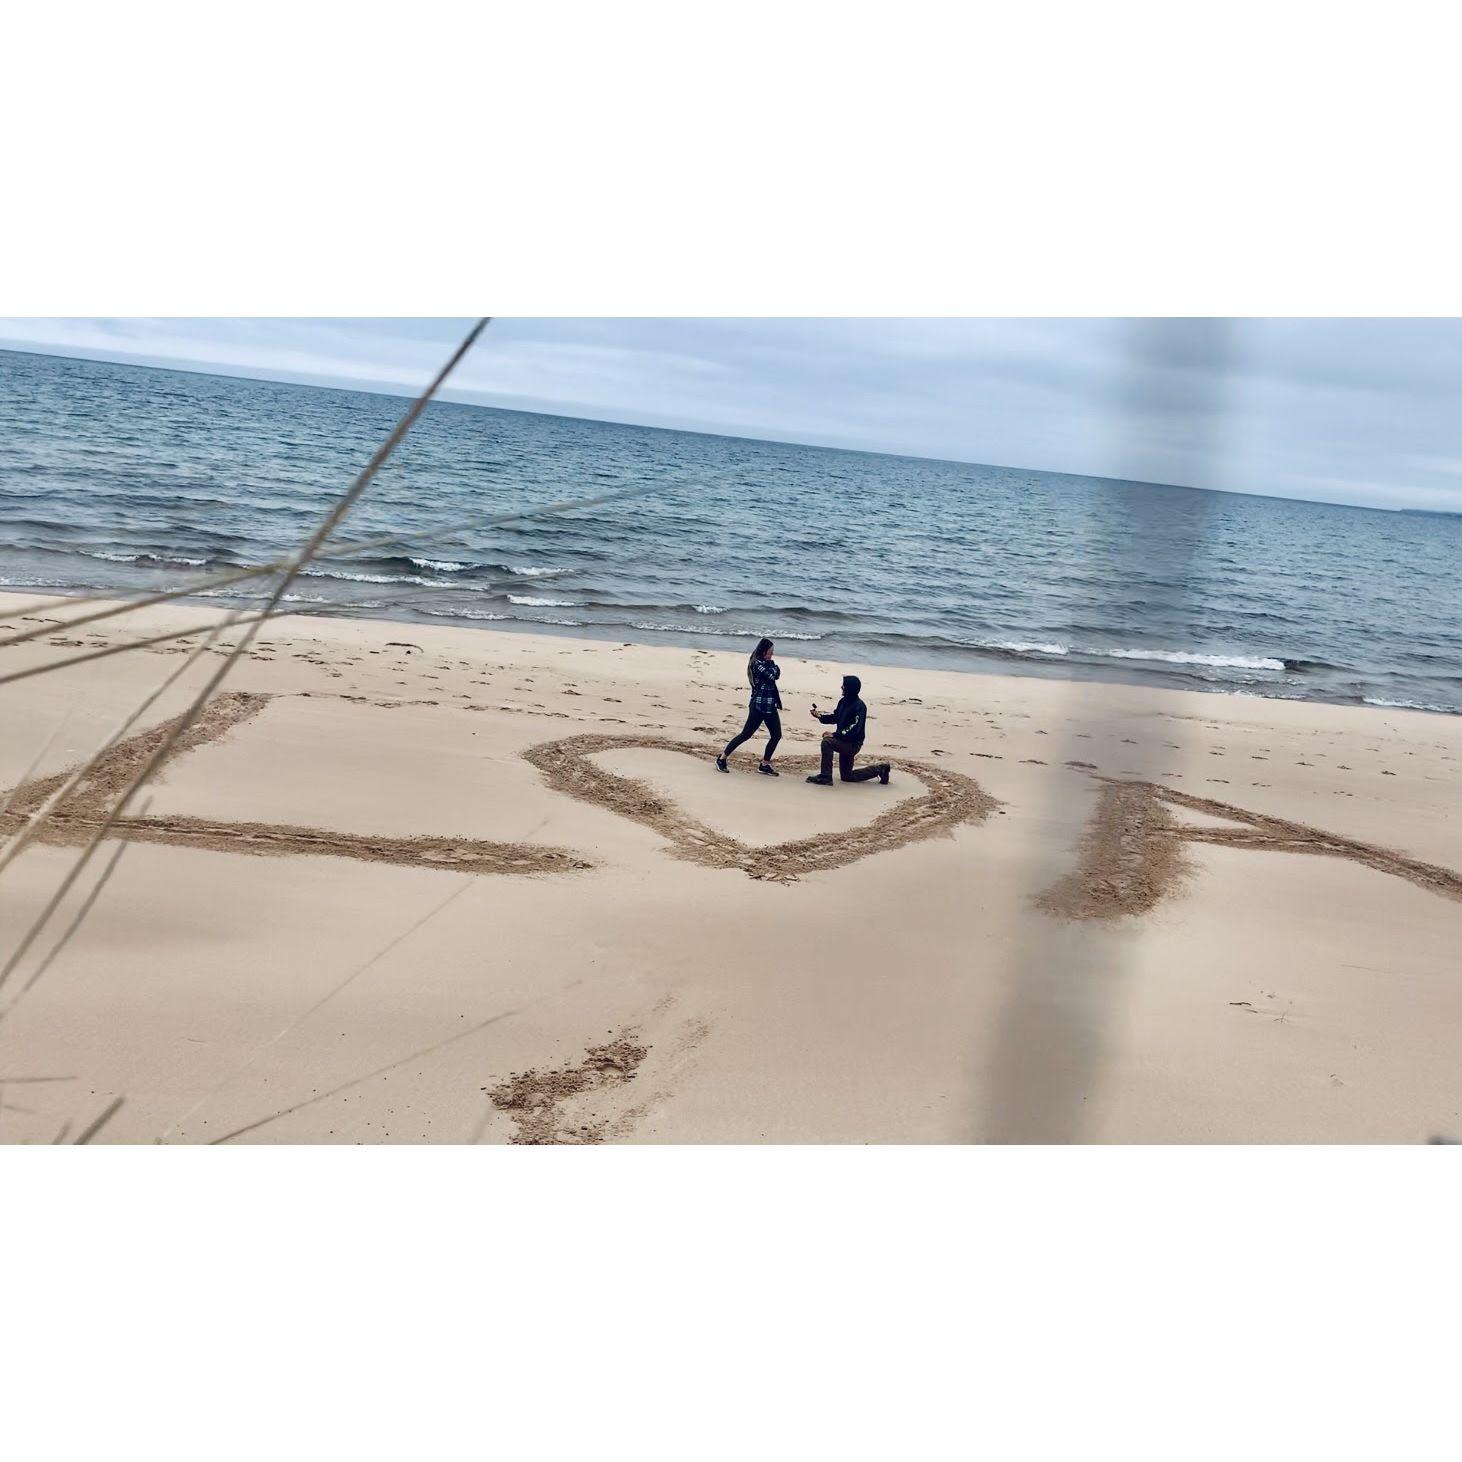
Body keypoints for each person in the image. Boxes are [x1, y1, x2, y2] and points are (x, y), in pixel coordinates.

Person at [806, 674, 890, 786]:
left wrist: (835, 735)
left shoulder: (860, 706)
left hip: (852, 744)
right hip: (844, 741)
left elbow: (853, 729)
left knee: (827, 742)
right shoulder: (843, 701)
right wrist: (820, 716)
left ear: (849, 689)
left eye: (844, 686)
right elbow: (835, 717)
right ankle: (880, 769)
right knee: (847, 776)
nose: (841, 687)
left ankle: (825, 777)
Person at [716, 636, 783, 776]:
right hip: (758, 706)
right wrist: (773, 667)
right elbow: (772, 676)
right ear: (765, 650)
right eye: (771, 650)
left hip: (770, 706)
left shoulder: (767, 662)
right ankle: (722, 758)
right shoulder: (757, 663)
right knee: (746, 734)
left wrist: (773, 667)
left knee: (776, 735)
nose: (773, 653)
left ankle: (764, 764)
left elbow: (777, 674)